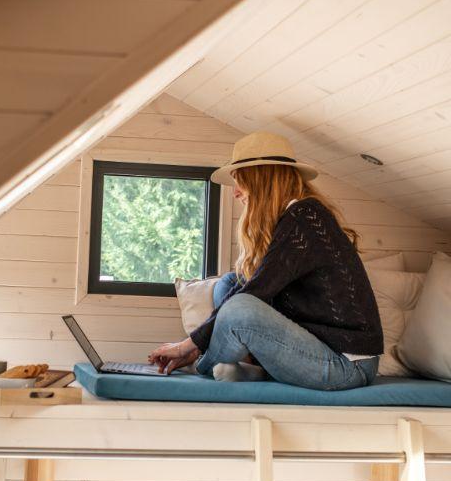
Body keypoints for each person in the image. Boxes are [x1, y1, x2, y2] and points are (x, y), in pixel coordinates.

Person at [148, 131, 383, 390]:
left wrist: (189, 346)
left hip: (347, 365)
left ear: (261, 179)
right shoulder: (289, 219)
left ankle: (202, 363)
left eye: (241, 181)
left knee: (239, 307)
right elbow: (249, 286)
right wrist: (200, 337)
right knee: (230, 284)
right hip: (316, 347)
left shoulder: (305, 217)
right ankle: (250, 367)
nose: (236, 193)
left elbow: (255, 295)